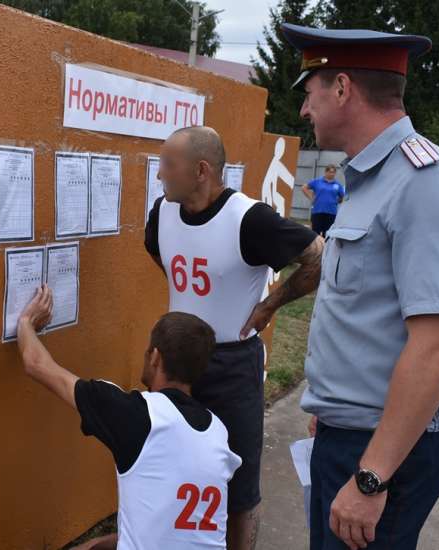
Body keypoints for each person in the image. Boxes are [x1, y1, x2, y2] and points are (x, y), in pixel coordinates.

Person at [282, 23, 439, 550]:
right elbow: (367, 315)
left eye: (310, 93)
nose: (305, 110)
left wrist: (372, 476)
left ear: (343, 88)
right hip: (353, 436)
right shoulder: (371, 178)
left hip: (382, 455)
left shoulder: (425, 184)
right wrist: (331, 414)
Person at [145, 126, 324, 550]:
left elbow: (317, 255)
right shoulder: (163, 211)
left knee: (239, 484)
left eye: (169, 164)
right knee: (172, 468)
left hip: (230, 365)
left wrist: (270, 304)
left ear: (201, 170)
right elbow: (160, 252)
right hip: (174, 361)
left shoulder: (249, 218)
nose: (160, 175)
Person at [15, 286, 242, 550]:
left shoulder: (136, 414)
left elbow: (36, 364)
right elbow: (175, 530)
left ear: (155, 357)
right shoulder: (218, 430)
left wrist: (25, 322)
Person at [302, 164, 346, 237]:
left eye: (333, 172)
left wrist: (337, 201)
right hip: (317, 211)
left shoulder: (337, 185)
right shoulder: (317, 181)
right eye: (330, 172)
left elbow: (342, 196)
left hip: (331, 212)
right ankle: (316, 248)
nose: (332, 174)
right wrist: (311, 198)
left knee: (328, 234)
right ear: (325, 172)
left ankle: (325, 248)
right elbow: (304, 188)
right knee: (315, 233)